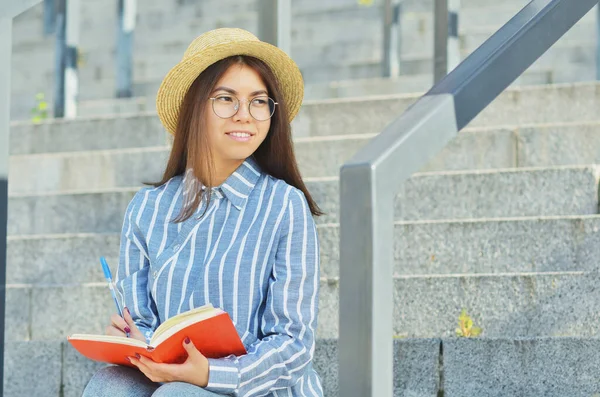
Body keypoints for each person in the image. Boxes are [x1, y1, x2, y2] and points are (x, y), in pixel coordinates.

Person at [82, 28, 324, 397]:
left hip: (257, 388)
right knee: (109, 386)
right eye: (226, 98)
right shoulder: (146, 210)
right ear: (194, 107)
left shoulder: (283, 206)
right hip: (168, 380)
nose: (245, 115)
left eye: (259, 102)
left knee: (181, 395)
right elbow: (144, 322)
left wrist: (208, 374)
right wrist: (133, 340)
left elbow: (292, 345)